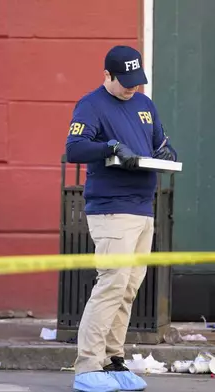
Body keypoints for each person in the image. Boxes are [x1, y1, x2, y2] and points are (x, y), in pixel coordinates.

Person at [65, 45, 178, 392]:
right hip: (111, 208)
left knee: (128, 289)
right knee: (111, 284)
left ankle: (113, 361)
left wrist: (167, 152)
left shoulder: (145, 105)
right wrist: (110, 147)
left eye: (136, 81)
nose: (131, 87)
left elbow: (160, 142)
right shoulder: (91, 104)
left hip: (143, 208)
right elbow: (74, 148)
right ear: (107, 76)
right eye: (124, 81)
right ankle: (87, 365)